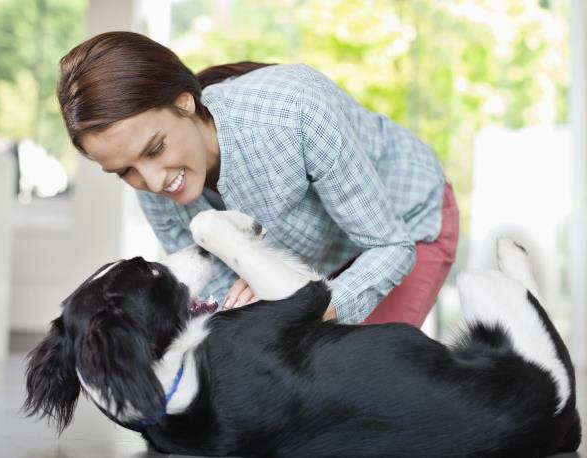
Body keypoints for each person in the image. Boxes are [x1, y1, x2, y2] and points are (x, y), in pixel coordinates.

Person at [57, 31, 459, 326]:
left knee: (362, 388)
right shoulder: (152, 186)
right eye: (125, 170)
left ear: (184, 103)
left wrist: (300, 307)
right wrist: (255, 302)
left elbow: (390, 245)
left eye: (155, 148)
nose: (153, 182)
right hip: (310, 268)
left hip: (405, 226)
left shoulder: (293, 109)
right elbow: (219, 295)